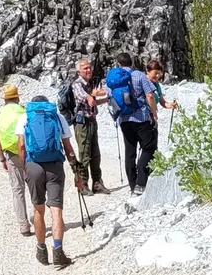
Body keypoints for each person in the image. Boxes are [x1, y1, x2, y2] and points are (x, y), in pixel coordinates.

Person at [12, 92, 80, 268]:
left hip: (33, 165)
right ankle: (58, 251)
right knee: (56, 211)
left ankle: (41, 250)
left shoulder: (25, 117)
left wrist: (26, 166)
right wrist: (76, 170)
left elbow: (21, 145)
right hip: (55, 166)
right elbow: (68, 147)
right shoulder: (57, 117)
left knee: (38, 209)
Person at [104, 51, 160, 195]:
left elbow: (109, 96)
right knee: (148, 149)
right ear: (132, 63)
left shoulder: (113, 79)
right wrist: (154, 113)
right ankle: (141, 184)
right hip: (141, 118)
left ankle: (133, 185)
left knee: (130, 152)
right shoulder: (139, 75)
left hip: (123, 120)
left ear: (118, 64)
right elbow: (150, 95)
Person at [65, 57, 112, 194]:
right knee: (84, 154)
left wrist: (107, 99)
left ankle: (97, 183)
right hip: (82, 123)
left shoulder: (90, 84)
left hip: (92, 121)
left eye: (89, 67)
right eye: (85, 68)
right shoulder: (77, 84)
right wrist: (90, 96)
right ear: (79, 71)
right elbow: (82, 96)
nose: (88, 70)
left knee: (95, 153)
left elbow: (93, 102)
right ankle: (83, 184)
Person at [0, 84, 33, 237]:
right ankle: (36, 218)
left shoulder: (0, 113)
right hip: (27, 152)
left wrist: (2, 158)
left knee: (18, 189)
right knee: (32, 186)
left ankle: (24, 226)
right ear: (17, 97)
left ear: (5, 99)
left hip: (11, 153)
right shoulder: (23, 110)